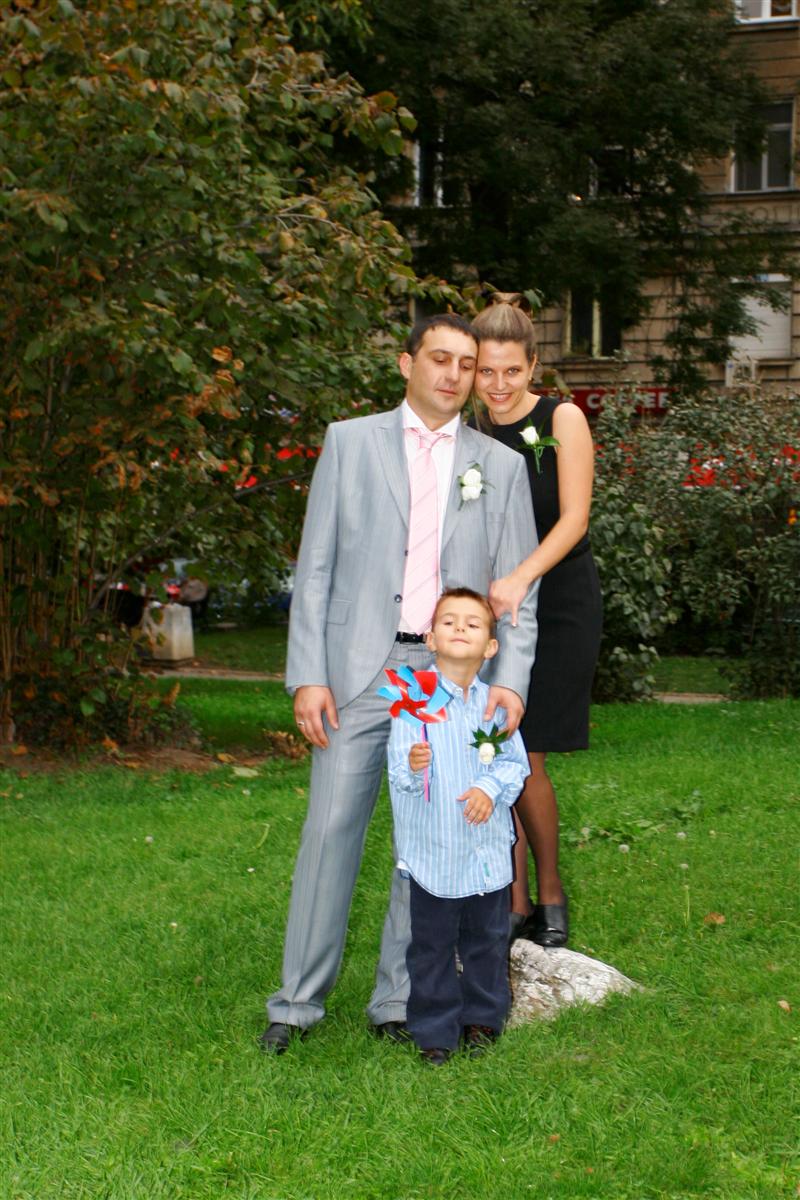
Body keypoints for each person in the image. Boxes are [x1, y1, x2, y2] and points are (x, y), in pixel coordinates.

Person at [259, 313, 540, 1054]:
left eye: (467, 364)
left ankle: (397, 998)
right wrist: (308, 674)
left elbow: (519, 591)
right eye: (440, 358)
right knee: (330, 831)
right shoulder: (349, 442)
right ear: (406, 362)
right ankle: (295, 1004)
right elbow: (315, 567)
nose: (453, 374)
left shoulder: (499, 466)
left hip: (449, 679)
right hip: (360, 668)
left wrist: (510, 680)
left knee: (430, 836)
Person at [471, 294, 603, 948]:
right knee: (495, 747)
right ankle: (513, 897)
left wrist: (522, 576)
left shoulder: (562, 418)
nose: (498, 385)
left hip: (559, 602)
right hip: (491, 610)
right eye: (485, 371)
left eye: (511, 371)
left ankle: (549, 891)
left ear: (532, 367)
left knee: (526, 752)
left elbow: (575, 518)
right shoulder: (467, 435)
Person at [387, 588, 530, 1065]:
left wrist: (489, 788)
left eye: (473, 622)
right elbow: (399, 776)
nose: (461, 627)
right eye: (449, 621)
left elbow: (514, 765)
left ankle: (483, 1019)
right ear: (430, 638)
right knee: (431, 946)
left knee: (486, 941)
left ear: (490, 646)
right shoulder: (412, 700)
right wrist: (413, 764)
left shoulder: (496, 704)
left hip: (485, 854)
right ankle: (435, 1030)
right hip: (435, 852)